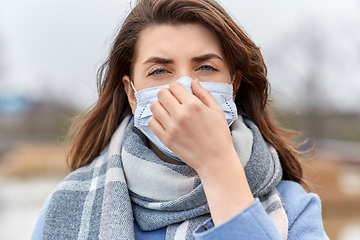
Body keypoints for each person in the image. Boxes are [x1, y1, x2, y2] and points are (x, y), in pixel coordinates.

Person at [32, 0, 329, 239]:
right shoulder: (66, 207)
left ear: (234, 85)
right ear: (132, 94)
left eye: (206, 68)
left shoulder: (294, 208)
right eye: (160, 71)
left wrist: (217, 166)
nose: (184, 89)